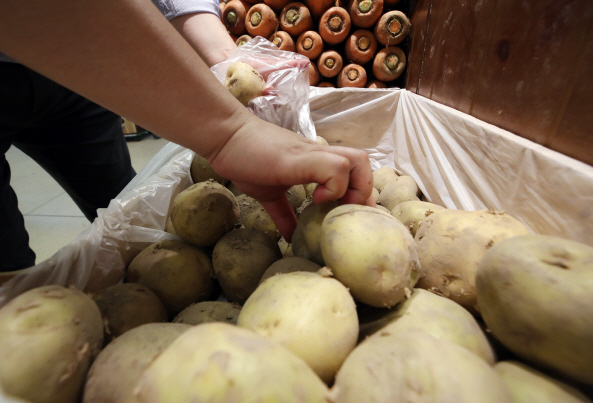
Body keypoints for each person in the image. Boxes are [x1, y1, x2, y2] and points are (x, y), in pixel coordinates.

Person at [0, 0, 373, 272]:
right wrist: (229, 134)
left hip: (84, 70)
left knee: (122, 205)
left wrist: (230, 60)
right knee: (9, 268)